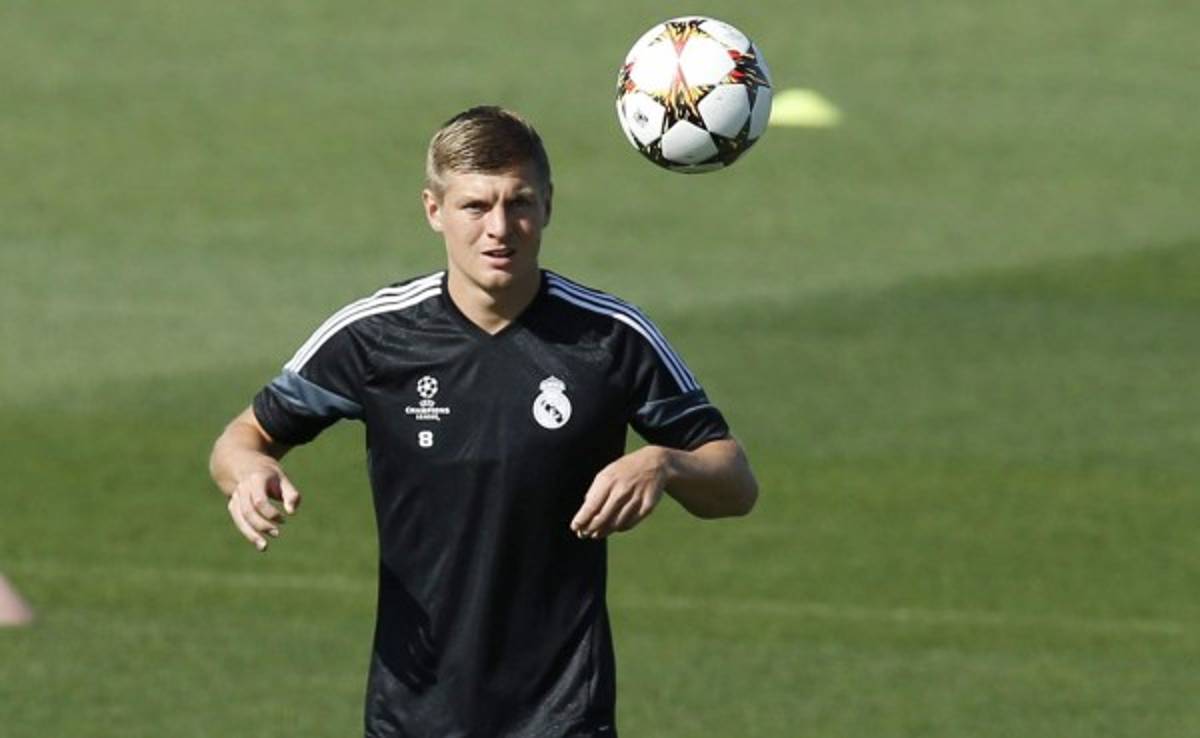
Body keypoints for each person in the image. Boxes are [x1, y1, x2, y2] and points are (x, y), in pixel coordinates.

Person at [208, 106, 758, 737]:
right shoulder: (376, 336)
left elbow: (735, 484)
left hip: (563, 716)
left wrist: (666, 463)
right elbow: (242, 438)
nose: (499, 228)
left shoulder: (612, 337)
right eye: (475, 206)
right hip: (413, 715)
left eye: (518, 202)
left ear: (547, 205)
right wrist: (248, 472)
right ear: (433, 210)